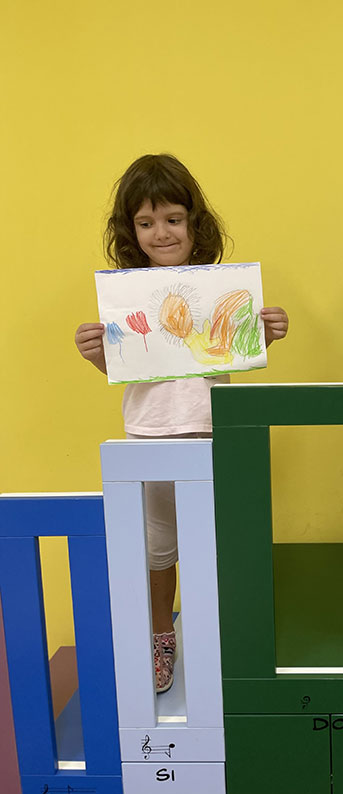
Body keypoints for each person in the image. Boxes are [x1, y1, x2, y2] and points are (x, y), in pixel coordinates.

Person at [75, 153, 289, 692]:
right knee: (157, 553)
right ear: (131, 231)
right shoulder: (127, 298)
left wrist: (267, 333)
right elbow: (125, 369)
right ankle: (160, 635)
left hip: (215, 436)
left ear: (195, 223)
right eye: (146, 223)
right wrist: (97, 353)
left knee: (220, 546)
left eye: (173, 219)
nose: (161, 233)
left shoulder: (219, 289)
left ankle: (225, 640)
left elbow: (239, 347)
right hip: (149, 438)